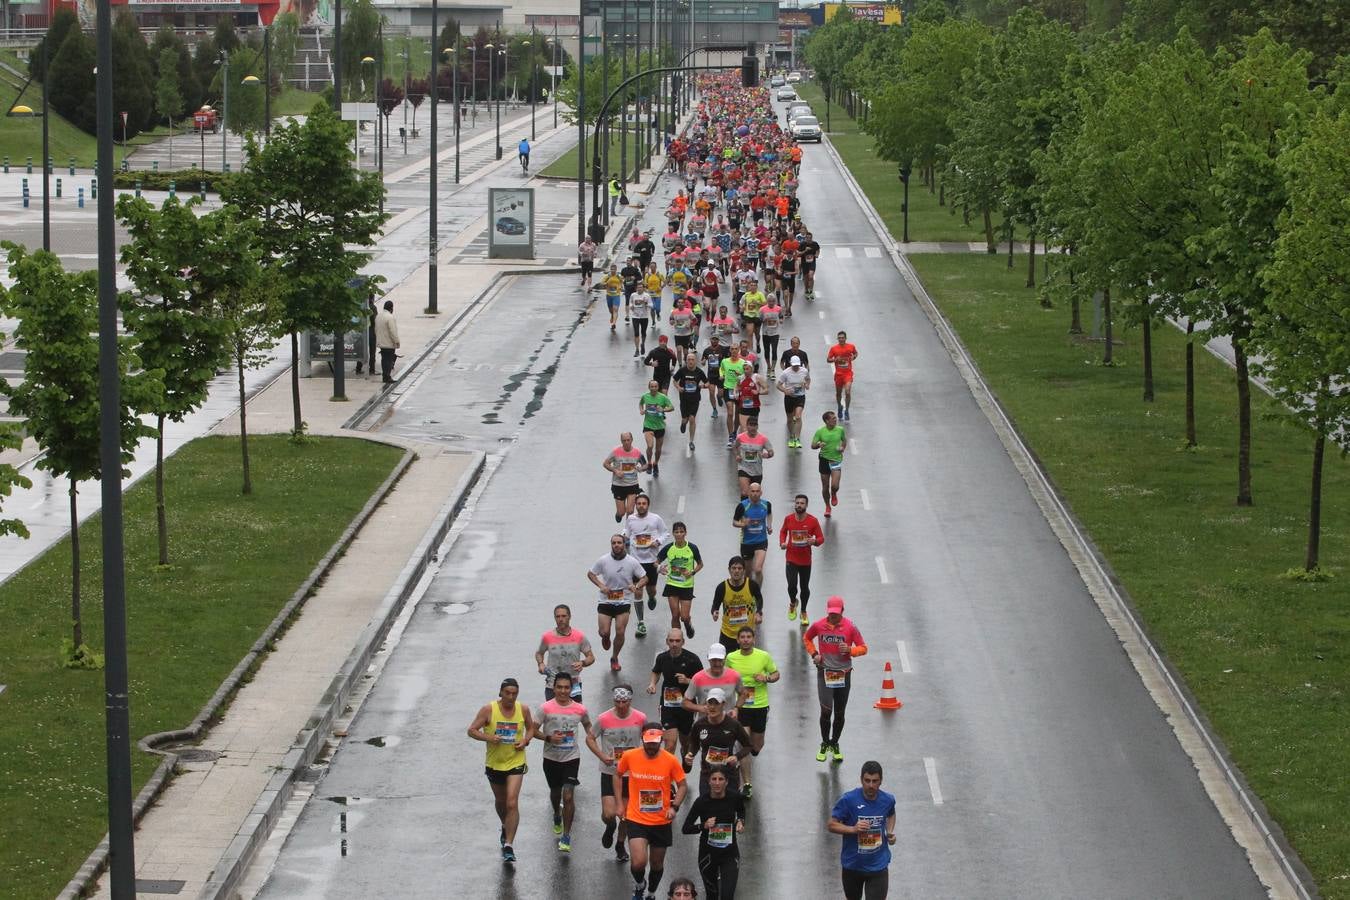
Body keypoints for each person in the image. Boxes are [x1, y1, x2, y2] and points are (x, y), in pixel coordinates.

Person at [466, 678, 535, 863]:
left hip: (516, 761)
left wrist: (525, 740)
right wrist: (488, 737)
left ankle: (509, 845)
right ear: (501, 693)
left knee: (512, 803)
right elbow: (471, 730)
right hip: (495, 763)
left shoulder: (523, 709)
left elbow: (531, 728)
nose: (511, 697)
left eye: (514, 693)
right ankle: (505, 825)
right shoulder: (489, 709)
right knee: (501, 801)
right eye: (507, 693)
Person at [616, 726, 688, 900]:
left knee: (656, 864)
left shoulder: (670, 760)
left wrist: (674, 807)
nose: (651, 747)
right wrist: (619, 803)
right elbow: (617, 775)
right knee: (639, 862)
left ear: (661, 742)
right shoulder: (630, 756)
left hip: (661, 821)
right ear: (642, 740)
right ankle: (640, 884)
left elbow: (683, 785)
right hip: (636, 818)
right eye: (648, 743)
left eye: (654, 743)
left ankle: (651, 892)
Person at [586, 685, 648, 862]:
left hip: (632, 775)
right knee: (609, 814)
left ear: (630, 700)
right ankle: (610, 827)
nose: (621, 705)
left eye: (624, 702)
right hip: (610, 772)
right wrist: (602, 755)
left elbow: (649, 738)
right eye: (617, 701)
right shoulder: (604, 718)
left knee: (627, 816)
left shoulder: (640, 718)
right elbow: (590, 738)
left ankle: (620, 844)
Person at [804, 595, 868, 762]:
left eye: (836, 614)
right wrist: (814, 654)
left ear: (842, 611)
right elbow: (807, 638)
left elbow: (864, 648)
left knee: (839, 713)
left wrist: (850, 650)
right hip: (825, 673)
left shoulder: (850, 627)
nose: (833, 616)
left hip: (844, 674)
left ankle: (835, 743)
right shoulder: (819, 625)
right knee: (826, 711)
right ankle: (825, 743)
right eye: (831, 613)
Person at [534, 672, 592, 853]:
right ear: (554, 688)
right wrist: (548, 738)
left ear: (571, 689)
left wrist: (594, 737)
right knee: (555, 793)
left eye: (567, 687)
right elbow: (533, 731)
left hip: (571, 758)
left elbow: (588, 726)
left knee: (568, 796)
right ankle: (556, 814)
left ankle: (566, 836)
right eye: (559, 687)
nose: (563, 691)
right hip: (551, 758)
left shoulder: (580, 709)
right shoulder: (545, 708)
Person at [723, 626, 778, 800]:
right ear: (738, 640)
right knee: (744, 745)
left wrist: (766, 678)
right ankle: (747, 783)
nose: (746, 639)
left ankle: (749, 753)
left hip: (760, 705)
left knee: (756, 746)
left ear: (753, 639)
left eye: (749, 637)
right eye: (742, 637)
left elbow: (776, 674)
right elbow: (724, 676)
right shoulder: (731, 658)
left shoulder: (763, 656)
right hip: (741, 707)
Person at [828, 761, 897, 900]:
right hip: (852, 866)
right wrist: (853, 829)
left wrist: (889, 832)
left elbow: (891, 813)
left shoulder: (888, 800)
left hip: (878, 866)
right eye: (867, 781)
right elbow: (831, 825)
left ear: (881, 781)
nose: (871, 785)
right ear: (861, 780)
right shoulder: (848, 800)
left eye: (875, 781)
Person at [682, 766, 746, 900]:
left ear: (726, 782)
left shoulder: (735, 797)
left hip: (729, 854)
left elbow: (741, 811)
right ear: (708, 781)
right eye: (714, 779)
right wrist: (703, 825)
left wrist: (740, 821)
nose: (717, 783)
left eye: (721, 779)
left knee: (727, 896)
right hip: (708, 855)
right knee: (712, 896)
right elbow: (686, 828)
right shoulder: (701, 802)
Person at [589, 534, 649, 671]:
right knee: (604, 632)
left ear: (624, 544)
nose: (616, 545)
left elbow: (645, 578)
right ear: (611, 545)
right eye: (614, 543)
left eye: (619, 543)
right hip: (606, 600)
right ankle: (605, 636)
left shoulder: (632, 561)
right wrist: (601, 585)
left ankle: (614, 657)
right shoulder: (603, 560)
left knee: (620, 632)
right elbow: (591, 573)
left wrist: (637, 586)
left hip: (623, 601)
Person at [683, 687, 752, 795]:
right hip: (707, 773)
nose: (712, 707)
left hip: (729, 773)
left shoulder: (733, 724)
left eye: (716, 703)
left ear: (723, 704)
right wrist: (690, 754)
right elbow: (694, 743)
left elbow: (748, 746)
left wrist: (736, 757)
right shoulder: (699, 724)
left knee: (730, 808)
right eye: (710, 703)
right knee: (707, 807)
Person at [647, 628, 703, 759]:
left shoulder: (692, 659)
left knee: (685, 740)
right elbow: (656, 671)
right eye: (671, 641)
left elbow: (702, 681)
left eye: (677, 641)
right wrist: (652, 684)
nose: (674, 644)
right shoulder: (662, 658)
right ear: (667, 642)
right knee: (670, 744)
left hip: (686, 706)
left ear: (683, 642)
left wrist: (687, 680)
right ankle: (668, 775)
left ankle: (685, 752)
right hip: (667, 706)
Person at [625, 493, 669, 637]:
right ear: (636, 505)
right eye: (639, 504)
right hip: (635, 561)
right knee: (637, 591)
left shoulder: (655, 519)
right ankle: (641, 623)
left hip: (651, 560)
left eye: (644, 503)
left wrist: (658, 542)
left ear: (648, 505)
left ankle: (651, 597)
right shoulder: (631, 519)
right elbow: (626, 532)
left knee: (651, 590)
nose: (641, 506)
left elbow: (665, 533)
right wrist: (624, 539)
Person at [778, 495, 825, 622]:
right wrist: (782, 542)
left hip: (805, 561)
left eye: (802, 503)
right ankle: (793, 603)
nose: (799, 505)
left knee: (804, 588)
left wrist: (814, 541)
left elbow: (821, 538)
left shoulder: (812, 521)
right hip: (791, 559)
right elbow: (783, 532)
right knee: (792, 585)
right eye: (797, 503)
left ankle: (803, 611)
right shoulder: (788, 519)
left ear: (806, 505)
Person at [535, 604, 595, 700]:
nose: (561, 619)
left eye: (564, 616)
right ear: (554, 618)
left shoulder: (579, 636)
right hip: (552, 684)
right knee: (552, 713)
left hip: (573, 683)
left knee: (575, 713)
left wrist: (582, 663)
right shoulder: (547, 637)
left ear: (569, 617)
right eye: (558, 616)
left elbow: (591, 657)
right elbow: (539, 653)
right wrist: (541, 664)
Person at [656, 521, 703, 635]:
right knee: (675, 615)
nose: (679, 534)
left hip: (686, 586)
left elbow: (700, 564)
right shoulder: (669, 548)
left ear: (685, 533)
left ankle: (688, 623)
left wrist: (691, 572)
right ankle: (677, 637)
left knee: (684, 617)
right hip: (672, 584)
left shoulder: (692, 548)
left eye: (681, 532)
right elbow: (656, 561)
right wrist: (659, 568)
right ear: (673, 534)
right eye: (676, 532)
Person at [709, 556, 764, 653]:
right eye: (733, 568)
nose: (736, 571)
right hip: (727, 634)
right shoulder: (722, 587)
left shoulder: (751, 585)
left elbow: (759, 599)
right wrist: (714, 612)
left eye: (739, 568)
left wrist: (758, 612)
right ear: (729, 570)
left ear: (744, 570)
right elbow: (715, 605)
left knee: (746, 664)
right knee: (726, 664)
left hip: (746, 635)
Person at [731, 483, 772, 586]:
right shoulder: (742, 506)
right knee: (748, 573)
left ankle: (757, 593)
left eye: (757, 491)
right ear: (749, 492)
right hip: (747, 542)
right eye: (752, 491)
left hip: (761, 541)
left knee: (757, 569)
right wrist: (742, 524)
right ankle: (748, 592)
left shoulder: (766, 504)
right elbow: (734, 522)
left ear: (761, 492)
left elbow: (769, 514)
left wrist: (769, 525)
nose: (755, 494)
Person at [605, 432, 650, 523]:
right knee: (622, 512)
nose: (626, 442)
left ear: (632, 440)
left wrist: (640, 469)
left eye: (628, 440)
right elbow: (605, 464)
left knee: (630, 511)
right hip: (618, 485)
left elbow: (645, 465)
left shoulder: (637, 452)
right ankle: (618, 514)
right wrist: (616, 471)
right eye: (624, 441)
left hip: (632, 484)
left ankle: (627, 531)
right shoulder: (616, 451)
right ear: (621, 441)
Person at [811, 410, 848, 518]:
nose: (835, 420)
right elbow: (812, 445)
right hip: (824, 460)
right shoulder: (820, 431)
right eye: (833, 419)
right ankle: (827, 506)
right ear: (827, 421)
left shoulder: (840, 430)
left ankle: (834, 493)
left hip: (836, 460)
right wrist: (819, 445)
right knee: (825, 486)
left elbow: (844, 441)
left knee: (835, 486)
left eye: (835, 418)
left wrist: (842, 448)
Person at [639, 381, 676, 478]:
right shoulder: (645, 396)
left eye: (655, 386)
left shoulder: (663, 397)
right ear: (649, 387)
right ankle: (649, 463)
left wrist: (663, 410)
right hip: (648, 425)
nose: (653, 388)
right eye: (651, 386)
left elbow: (672, 407)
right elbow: (640, 404)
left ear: (658, 387)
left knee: (658, 450)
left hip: (660, 426)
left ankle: (655, 464)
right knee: (650, 446)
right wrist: (642, 410)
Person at [732, 417, 773, 502]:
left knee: (754, 495)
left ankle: (753, 511)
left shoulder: (763, 439)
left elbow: (771, 452)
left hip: (757, 471)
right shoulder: (740, 437)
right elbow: (735, 447)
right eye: (751, 425)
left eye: (755, 425)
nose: (753, 428)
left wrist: (768, 455)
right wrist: (737, 455)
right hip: (743, 468)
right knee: (745, 492)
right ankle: (743, 511)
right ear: (747, 426)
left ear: (757, 427)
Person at [673, 353, 708, 451]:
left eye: (692, 359)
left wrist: (703, 386)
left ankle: (691, 441)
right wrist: (678, 387)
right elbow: (674, 380)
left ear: (695, 361)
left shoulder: (699, 372)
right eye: (689, 359)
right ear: (686, 361)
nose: (690, 361)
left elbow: (707, 383)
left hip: (695, 399)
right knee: (685, 419)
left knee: (692, 419)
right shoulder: (682, 370)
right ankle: (683, 423)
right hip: (684, 399)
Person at [776, 355, 810, 449]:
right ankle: (791, 437)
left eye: (797, 365)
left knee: (798, 416)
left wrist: (807, 385)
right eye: (794, 365)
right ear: (791, 364)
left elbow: (808, 379)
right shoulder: (786, 372)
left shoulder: (804, 371)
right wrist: (785, 390)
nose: (796, 367)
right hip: (789, 398)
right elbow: (778, 385)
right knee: (790, 419)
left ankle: (797, 439)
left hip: (800, 397)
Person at [826, 331, 859, 420]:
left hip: (848, 374)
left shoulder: (851, 346)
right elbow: (828, 359)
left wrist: (853, 357)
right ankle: (840, 406)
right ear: (837, 339)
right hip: (839, 375)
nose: (841, 339)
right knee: (838, 393)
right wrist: (834, 359)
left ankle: (847, 410)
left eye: (842, 338)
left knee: (847, 392)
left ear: (845, 338)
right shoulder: (834, 349)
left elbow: (856, 353)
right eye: (839, 338)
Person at [701, 337, 728, 420]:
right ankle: (714, 409)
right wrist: (703, 362)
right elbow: (702, 362)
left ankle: (719, 397)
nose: (714, 341)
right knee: (711, 392)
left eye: (716, 339)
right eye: (713, 339)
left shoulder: (723, 349)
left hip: (720, 375)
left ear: (718, 340)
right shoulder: (706, 350)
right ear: (710, 340)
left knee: (720, 393)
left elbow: (727, 361)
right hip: (711, 375)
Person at [375, 299, 399, 384]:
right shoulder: (390, 317)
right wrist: (396, 341)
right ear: (391, 308)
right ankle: (387, 376)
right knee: (389, 360)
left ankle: (384, 376)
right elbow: (393, 331)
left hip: (381, 343)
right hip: (389, 343)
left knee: (384, 360)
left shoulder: (378, 316)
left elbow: (376, 329)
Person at [632, 285, 654, 356]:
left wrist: (646, 303)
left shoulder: (647, 296)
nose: (639, 289)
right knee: (636, 333)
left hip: (644, 317)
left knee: (643, 332)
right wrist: (631, 307)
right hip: (635, 316)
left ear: (643, 288)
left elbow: (652, 305)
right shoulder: (633, 295)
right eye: (638, 287)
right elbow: (630, 303)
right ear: (636, 288)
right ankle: (637, 349)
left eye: (641, 287)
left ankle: (643, 344)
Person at [604, 264, 625, 330]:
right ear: (610, 269)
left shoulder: (618, 276)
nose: (613, 270)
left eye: (614, 269)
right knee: (611, 310)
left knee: (615, 309)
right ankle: (612, 315)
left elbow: (622, 281)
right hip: (609, 295)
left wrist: (621, 286)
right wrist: (606, 284)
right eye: (611, 269)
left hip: (616, 295)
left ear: (616, 270)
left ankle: (614, 324)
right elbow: (602, 282)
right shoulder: (608, 276)